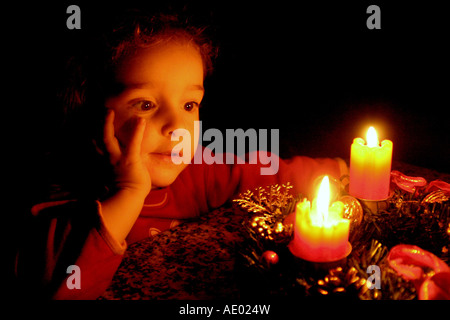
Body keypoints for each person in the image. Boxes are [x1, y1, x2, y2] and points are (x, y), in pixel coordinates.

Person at [14, 8, 348, 299]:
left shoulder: (195, 173)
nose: (177, 126)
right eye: (146, 104)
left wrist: (336, 169)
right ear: (88, 114)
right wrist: (130, 192)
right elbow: (65, 289)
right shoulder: (58, 207)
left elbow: (257, 171)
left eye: (189, 105)